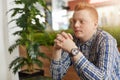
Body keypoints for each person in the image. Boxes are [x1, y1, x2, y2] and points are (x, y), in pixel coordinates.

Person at [50, 2, 120, 80]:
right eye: (74, 21)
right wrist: (57, 50)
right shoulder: (74, 40)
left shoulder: (106, 40)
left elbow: (103, 78)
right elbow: (56, 76)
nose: (76, 25)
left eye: (81, 21)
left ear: (95, 24)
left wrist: (73, 50)